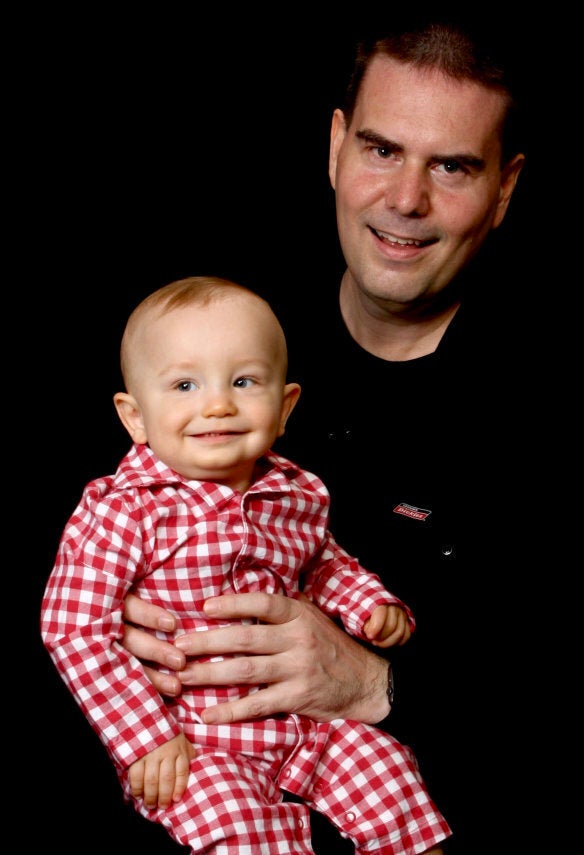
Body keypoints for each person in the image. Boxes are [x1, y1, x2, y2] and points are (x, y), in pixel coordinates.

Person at [112, 18, 539, 853]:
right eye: (382, 150)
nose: (406, 199)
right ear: (337, 146)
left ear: (505, 189)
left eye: (452, 166)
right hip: (203, 786)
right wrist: (127, 627)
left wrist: (376, 681)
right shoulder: (220, 329)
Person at [41, 276, 451, 854]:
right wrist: (143, 738)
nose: (217, 403)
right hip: (195, 738)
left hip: (305, 720)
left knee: (390, 774)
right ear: (135, 417)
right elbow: (74, 628)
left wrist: (368, 605)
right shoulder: (123, 510)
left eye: (243, 381)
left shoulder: (296, 493)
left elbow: (323, 564)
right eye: (184, 384)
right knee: (234, 827)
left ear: (285, 407)